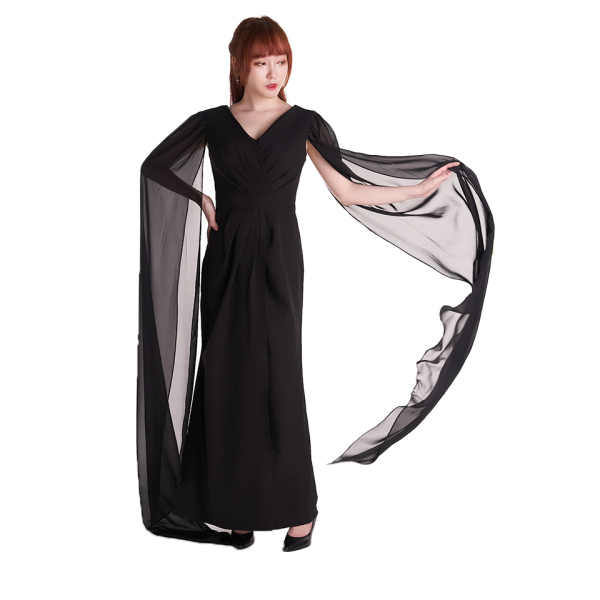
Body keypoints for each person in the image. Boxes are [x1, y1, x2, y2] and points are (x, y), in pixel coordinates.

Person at [137, 16, 494, 552]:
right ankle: (237, 510)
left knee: (278, 379)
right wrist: (202, 197)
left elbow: (348, 191)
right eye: (261, 62)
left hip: (279, 259)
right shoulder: (211, 122)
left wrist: (418, 188)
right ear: (239, 66)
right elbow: (155, 165)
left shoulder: (303, 123)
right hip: (227, 261)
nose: (273, 72)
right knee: (227, 378)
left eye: (280, 61)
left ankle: (300, 509)